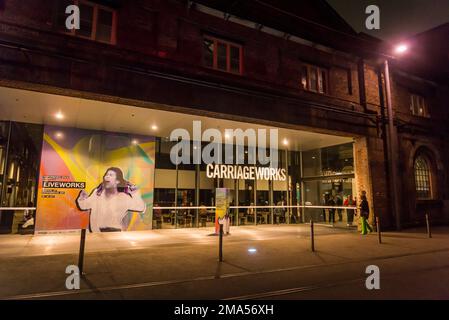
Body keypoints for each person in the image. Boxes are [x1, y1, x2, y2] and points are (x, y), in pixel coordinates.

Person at [76, 167, 146, 232]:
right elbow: (84, 206)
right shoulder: (97, 193)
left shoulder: (123, 197)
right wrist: (81, 198)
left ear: (117, 181)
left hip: (114, 233)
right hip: (96, 234)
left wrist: (135, 193)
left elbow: (140, 207)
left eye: (111, 175)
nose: (107, 176)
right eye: (106, 174)